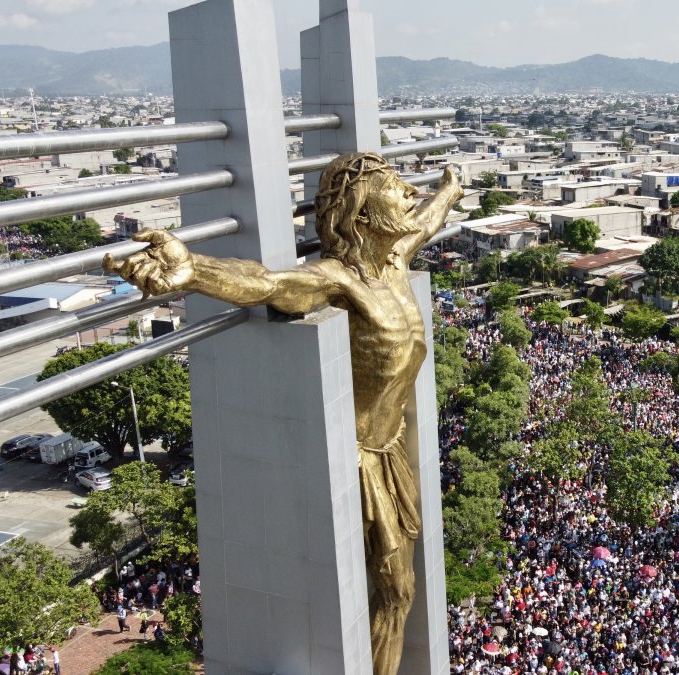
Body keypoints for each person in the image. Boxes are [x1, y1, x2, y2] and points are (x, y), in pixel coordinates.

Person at [106, 152, 463, 674]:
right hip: (358, 461)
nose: (410, 191)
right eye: (394, 185)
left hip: (393, 450)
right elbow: (267, 283)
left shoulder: (396, 261)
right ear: (361, 210)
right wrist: (195, 271)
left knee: (398, 592)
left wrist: (451, 189)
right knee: (395, 587)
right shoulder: (341, 281)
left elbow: (428, 219)